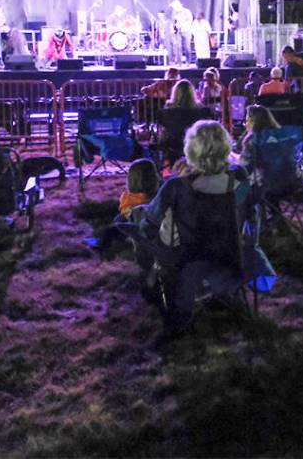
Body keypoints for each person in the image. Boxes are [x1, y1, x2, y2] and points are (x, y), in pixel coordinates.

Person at [141, 120, 276, 333]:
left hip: (187, 260)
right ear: (226, 147)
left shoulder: (177, 187)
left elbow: (149, 222)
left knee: (145, 226)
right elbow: (253, 221)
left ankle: (155, 285)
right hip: (233, 255)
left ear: (191, 150)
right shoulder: (240, 183)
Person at [92, 159, 161, 252]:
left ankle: (102, 245)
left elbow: (125, 213)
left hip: (135, 229)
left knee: (115, 223)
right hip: (154, 228)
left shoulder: (127, 199)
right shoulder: (161, 194)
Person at [236, 105, 281, 171]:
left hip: (259, 179)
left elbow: (242, 166)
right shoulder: (278, 136)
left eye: (247, 121)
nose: (246, 124)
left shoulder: (251, 140)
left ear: (254, 122)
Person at [169, 0, 192, 65]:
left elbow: (190, 21)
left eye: (174, 7)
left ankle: (188, 62)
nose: (174, 8)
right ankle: (179, 62)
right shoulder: (174, 13)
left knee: (187, 47)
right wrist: (174, 28)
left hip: (186, 31)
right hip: (178, 32)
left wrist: (182, 24)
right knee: (178, 47)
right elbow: (173, 22)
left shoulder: (187, 11)